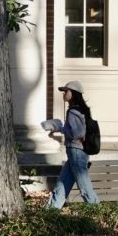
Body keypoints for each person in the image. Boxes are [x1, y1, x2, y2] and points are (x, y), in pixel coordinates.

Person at [42, 80, 100, 208]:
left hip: (76, 151)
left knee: (84, 184)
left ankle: (95, 208)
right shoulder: (82, 110)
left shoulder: (73, 111)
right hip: (77, 151)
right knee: (63, 182)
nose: (63, 94)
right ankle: (52, 209)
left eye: (66, 91)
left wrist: (60, 128)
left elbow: (76, 133)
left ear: (74, 93)